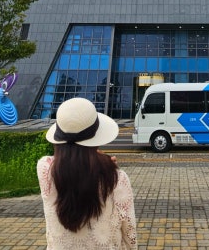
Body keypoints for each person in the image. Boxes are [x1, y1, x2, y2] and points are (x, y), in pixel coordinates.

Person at [37, 97, 137, 249]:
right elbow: (129, 232)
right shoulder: (116, 179)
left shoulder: (45, 169)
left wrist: (97, 160)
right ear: (95, 139)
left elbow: (71, 163)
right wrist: (104, 164)